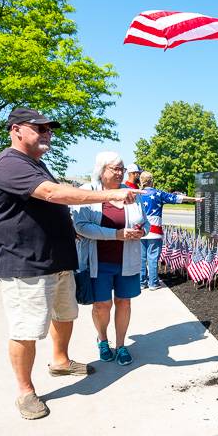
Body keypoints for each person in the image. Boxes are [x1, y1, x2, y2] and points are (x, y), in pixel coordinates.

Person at [0, 107, 142, 420]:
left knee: (65, 315)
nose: (47, 134)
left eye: (49, 129)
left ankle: (60, 361)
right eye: (40, 128)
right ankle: (25, 391)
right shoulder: (8, 163)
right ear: (16, 129)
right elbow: (54, 194)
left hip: (57, 260)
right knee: (26, 329)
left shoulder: (37, 164)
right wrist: (109, 195)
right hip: (27, 264)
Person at [72, 152, 149, 367]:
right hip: (99, 261)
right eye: (114, 168)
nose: (119, 173)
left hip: (127, 260)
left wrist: (141, 231)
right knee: (102, 306)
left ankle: (122, 345)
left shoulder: (132, 194)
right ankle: (103, 339)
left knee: (124, 302)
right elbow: (81, 226)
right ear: (101, 170)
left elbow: (147, 224)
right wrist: (115, 234)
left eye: (122, 168)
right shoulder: (88, 193)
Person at [138, 171, 201, 290]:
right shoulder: (158, 193)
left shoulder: (138, 194)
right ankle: (153, 283)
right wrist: (195, 199)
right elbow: (177, 198)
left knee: (142, 258)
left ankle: (141, 283)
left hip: (140, 231)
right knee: (152, 258)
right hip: (154, 231)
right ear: (152, 180)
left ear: (141, 181)